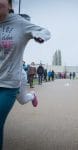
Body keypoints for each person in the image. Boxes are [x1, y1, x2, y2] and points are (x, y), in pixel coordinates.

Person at [0, 0, 51, 149]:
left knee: (22, 100)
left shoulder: (19, 23)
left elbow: (45, 32)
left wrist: (37, 35)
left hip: (11, 79)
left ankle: (32, 95)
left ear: (10, 5)